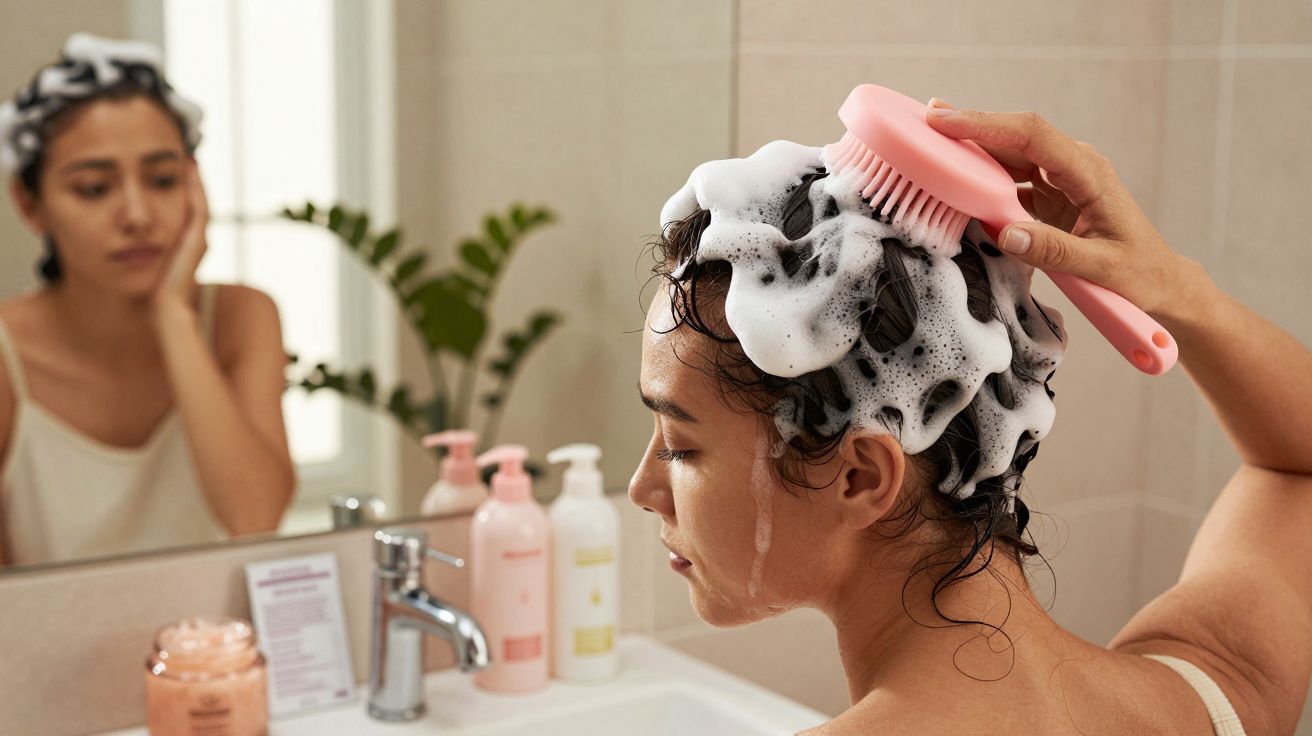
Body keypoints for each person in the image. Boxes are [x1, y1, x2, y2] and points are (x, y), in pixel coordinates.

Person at [629, 96, 1312, 734]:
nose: (643, 488)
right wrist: (1178, 289)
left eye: (680, 445)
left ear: (861, 477)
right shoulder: (1214, 690)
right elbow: (1296, 465)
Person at [0, 34, 295, 565]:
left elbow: (254, 518)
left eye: (162, 180)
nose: (137, 215)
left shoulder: (241, 318)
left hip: (215, 624)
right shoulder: (6, 356)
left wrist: (174, 318)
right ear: (29, 203)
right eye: (94, 188)